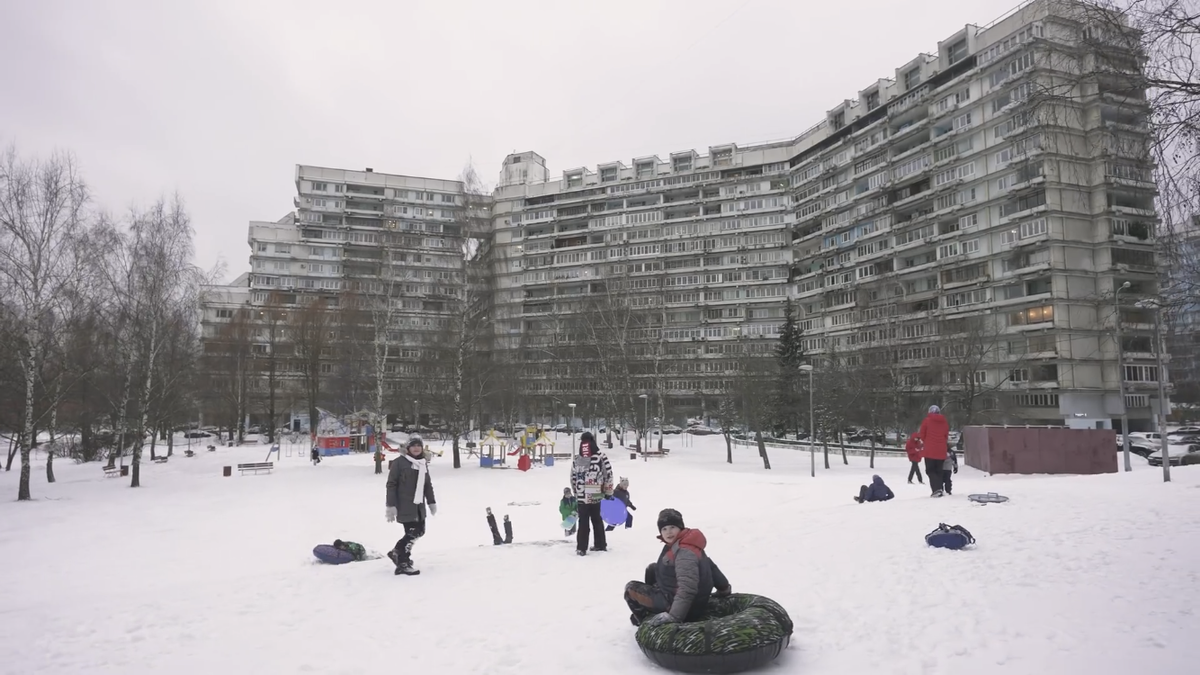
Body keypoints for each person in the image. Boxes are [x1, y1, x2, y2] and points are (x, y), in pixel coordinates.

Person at [624, 508, 731, 627]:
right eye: (664, 529)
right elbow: (711, 568)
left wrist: (674, 616)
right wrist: (724, 588)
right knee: (652, 569)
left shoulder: (684, 552)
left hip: (683, 608)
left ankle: (644, 620)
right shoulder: (690, 543)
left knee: (630, 589)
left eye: (672, 527)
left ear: (680, 528)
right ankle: (653, 606)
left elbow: (687, 588)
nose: (668, 532)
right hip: (692, 601)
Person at [385, 435, 437, 575]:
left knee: (419, 531)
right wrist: (391, 505)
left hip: (419, 506)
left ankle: (397, 553)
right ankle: (402, 562)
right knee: (412, 532)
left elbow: (427, 485)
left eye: (418, 445)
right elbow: (391, 485)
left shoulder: (422, 463)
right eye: (413, 445)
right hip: (405, 505)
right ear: (407, 448)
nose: (416, 448)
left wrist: (431, 502)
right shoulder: (399, 463)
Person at [571, 431, 614, 556]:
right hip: (595, 492)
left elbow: (572, 476)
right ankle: (600, 544)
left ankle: (581, 548)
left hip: (581, 493)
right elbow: (608, 474)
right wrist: (608, 491)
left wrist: (576, 492)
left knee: (583, 521)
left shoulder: (577, 458)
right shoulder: (600, 456)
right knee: (597, 519)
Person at [913, 404, 951, 497]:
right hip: (941, 450)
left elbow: (922, 434)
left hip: (930, 450)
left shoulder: (927, 421)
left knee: (930, 470)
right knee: (939, 470)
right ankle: (940, 489)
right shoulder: (944, 422)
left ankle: (936, 490)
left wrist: (927, 441)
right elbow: (946, 435)